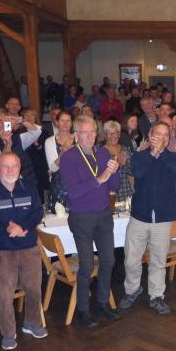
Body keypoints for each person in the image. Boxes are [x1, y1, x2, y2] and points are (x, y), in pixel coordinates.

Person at [0, 153, 46, 350]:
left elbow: (37, 212)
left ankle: (32, 323)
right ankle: (8, 334)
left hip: (29, 247)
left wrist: (21, 226)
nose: (10, 170)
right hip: (1, 251)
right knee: (4, 295)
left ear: (19, 167)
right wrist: (7, 229)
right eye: (5, 166)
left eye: (14, 166)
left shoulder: (30, 188)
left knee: (34, 290)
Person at [59, 115, 121, 326]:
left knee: (109, 260)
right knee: (86, 265)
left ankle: (102, 302)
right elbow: (73, 192)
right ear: (76, 135)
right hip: (81, 217)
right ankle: (83, 310)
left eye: (92, 132)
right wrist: (100, 179)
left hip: (103, 214)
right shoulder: (69, 157)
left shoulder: (103, 153)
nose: (89, 136)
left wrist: (114, 171)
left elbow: (114, 186)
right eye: (84, 133)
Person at [121, 121, 176, 315]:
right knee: (131, 259)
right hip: (140, 216)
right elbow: (138, 172)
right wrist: (152, 153)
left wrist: (161, 153)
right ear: (150, 135)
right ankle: (132, 289)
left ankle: (156, 296)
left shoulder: (172, 157)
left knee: (158, 260)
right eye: (158, 133)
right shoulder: (139, 157)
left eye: (166, 134)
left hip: (163, 217)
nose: (162, 137)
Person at [0, 110, 41, 189]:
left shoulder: (18, 138)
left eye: (5, 122)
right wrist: (8, 144)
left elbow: (37, 131)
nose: (3, 124)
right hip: (4, 187)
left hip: (27, 183)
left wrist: (20, 120)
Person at [44, 110, 74, 211]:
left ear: (72, 123)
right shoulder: (49, 141)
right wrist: (63, 152)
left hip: (77, 184)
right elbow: (53, 168)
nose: (65, 123)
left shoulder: (79, 139)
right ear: (57, 122)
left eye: (68, 121)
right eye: (62, 120)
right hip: (59, 186)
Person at [102, 120, 134, 200]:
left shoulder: (125, 149)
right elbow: (100, 174)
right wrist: (118, 163)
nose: (113, 136)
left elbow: (132, 172)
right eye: (110, 133)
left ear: (119, 134)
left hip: (125, 192)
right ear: (105, 135)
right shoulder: (101, 151)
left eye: (115, 133)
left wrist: (125, 164)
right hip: (108, 193)